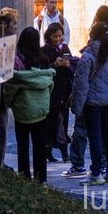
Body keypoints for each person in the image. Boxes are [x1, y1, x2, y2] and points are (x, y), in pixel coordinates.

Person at [70, 8, 108, 185]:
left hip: (93, 102)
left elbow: (81, 83)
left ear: (93, 36)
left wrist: (76, 107)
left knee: (95, 136)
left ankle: (96, 173)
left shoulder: (88, 55)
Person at [2, 28, 55, 184]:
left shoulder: (17, 61)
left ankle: (24, 176)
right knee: (39, 145)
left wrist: (9, 102)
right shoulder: (44, 60)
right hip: (40, 109)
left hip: (23, 109)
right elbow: (49, 84)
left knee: (23, 145)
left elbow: (11, 86)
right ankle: (41, 177)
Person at [40, 21, 73, 160]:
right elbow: (42, 68)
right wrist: (54, 65)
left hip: (64, 88)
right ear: (49, 36)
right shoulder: (44, 50)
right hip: (51, 89)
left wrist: (68, 63)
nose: (58, 39)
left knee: (63, 120)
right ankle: (49, 149)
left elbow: (72, 63)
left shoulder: (64, 48)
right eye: (55, 37)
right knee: (51, 121)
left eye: (60, 36)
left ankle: (64, 150)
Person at [0, 6, 20, 166]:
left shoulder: (6, 43)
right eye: (14, 23)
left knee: (1, 131)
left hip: (2, 95)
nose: (16, 27)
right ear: (4, 25)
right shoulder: (1, 44)